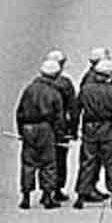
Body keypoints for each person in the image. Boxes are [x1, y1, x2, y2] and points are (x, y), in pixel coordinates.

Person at [73, 54, 112, 210]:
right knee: (111, 162)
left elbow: (76, 111)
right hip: (107, 128)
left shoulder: (85, 90)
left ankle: (81, 194)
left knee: (87, 161)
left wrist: (72, 130)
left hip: (89, 128)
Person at [16, 58, 66, 210]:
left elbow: (19, 112)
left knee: (28, 162)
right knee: (48, 163)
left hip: (28, 128)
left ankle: (26, 196)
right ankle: (47, 196)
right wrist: (60, 135)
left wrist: (21, 131)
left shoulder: (29, 90)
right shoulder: (54, 93)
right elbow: (59, 117)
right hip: (45, 128)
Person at [45, 50, 79, 204]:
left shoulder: (37, 84)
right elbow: (73, 108)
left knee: (44, 158)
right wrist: (73, 129)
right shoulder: (65, 83)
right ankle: (57, 188)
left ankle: (45, 189)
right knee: (59, 158)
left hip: (44, 125)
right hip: (60, 124)